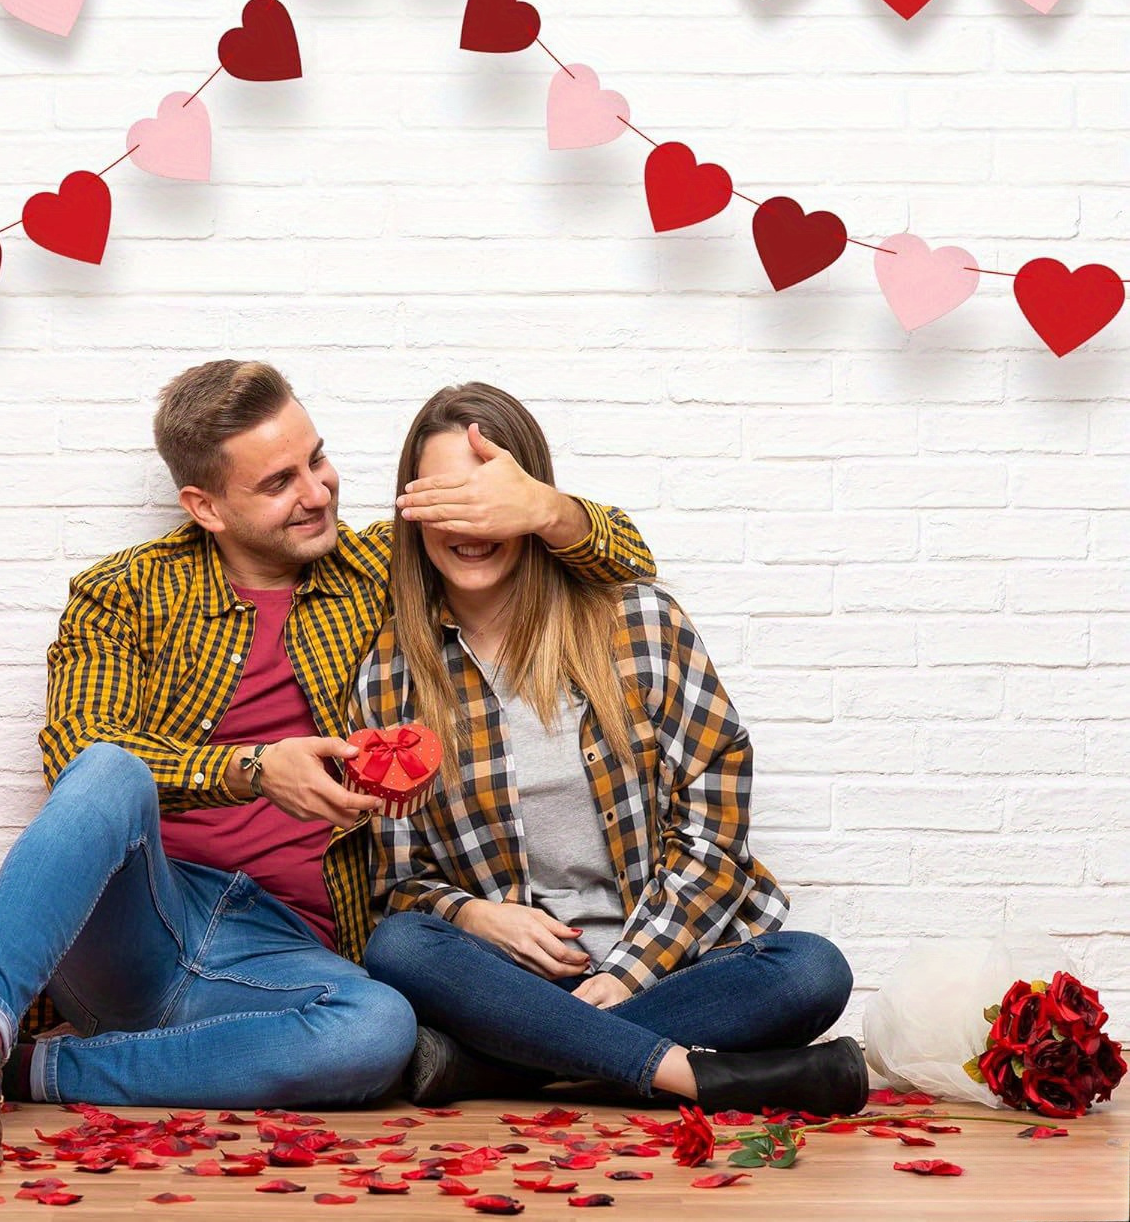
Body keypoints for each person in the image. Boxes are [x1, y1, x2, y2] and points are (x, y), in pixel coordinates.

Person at [0, 361, 658, 1169]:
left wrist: (547, 508)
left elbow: (627, 569)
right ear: (206, 506)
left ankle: (21, 1071)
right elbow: (73, 757)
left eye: (318, 459)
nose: (319, 492)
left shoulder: (382, 570)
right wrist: (252, 770)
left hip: (287, 956)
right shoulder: (122, 592)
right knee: (108, 768)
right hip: (148, 923)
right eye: (278, 483)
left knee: (379, 1031)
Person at [359, 382, 868, 1116]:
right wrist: (474, 918)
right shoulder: (390, 673)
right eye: (446, 499)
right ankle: (691, 1076)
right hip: (512, 982)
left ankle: (504, 1069)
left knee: (813, 970)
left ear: (533, 499)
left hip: (671, 971)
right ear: (411, 511)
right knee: (400, 947)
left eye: (488, 497)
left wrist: (629, 971)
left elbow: (714, 837)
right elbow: (399, 882)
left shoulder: (638, 621)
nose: (470, 522)